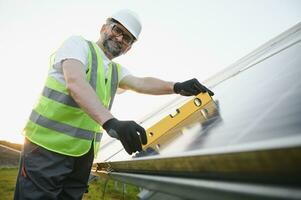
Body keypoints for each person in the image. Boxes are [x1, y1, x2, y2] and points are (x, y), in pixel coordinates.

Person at [14, 9, 214, 200]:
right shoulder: (78, 45)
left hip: (82, 155)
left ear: (129, 48)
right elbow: (74, 82)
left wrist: (177, 86)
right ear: (104, 28)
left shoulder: (115, 70)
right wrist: (111, 123)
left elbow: (142, 83)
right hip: (46, 148)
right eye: (117, 30)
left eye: (127, 38)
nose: (120, 38)